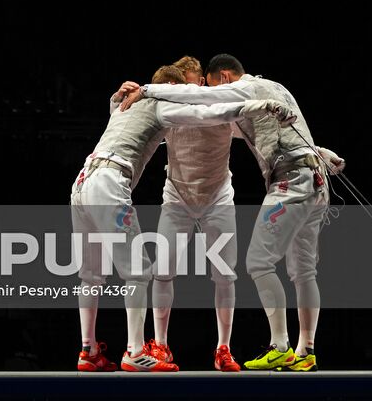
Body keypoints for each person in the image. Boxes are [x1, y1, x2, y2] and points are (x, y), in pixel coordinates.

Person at [119, 53, 344, 373]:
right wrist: (321, 152)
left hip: (286, 184)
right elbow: (288, 132)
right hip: (314, 179)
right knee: (303, 271)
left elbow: (207, 98)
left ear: (223, 78)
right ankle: (305, 350)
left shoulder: (244, 91)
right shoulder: (276, 88)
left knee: (258, 263)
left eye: (206, 84)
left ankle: (278, 347)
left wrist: (145, 89)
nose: (201, 88)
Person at [72, 62, 295, 373]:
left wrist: (117, 98)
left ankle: (89, 350)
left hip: (84, 182)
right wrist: (264, 102)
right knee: (140, 273)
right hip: (129, 187)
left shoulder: (129, 107)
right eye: (184, 90)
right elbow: (204, 113)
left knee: (91, 273)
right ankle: (137, 351)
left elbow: (124, 122)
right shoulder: (167, 109)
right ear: (174, 90)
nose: (191, 94)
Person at [111, 56, 241, 373]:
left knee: (225, 274)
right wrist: (117, 101)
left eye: (197, 83)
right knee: (163, 272)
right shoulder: (168, 112)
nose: (194, 88)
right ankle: (162, 344)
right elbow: (124, 126)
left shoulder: (221, 108)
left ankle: (223, 348)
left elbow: (262, 134)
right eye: (187, 84)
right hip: (177, 198)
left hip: (218, 198)